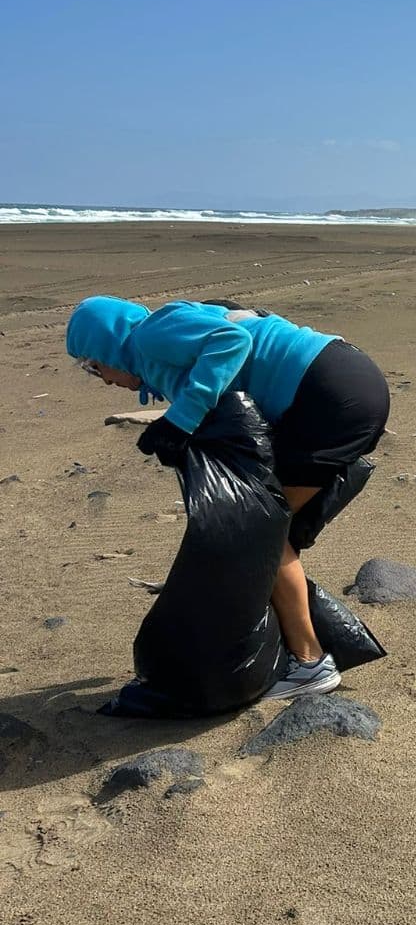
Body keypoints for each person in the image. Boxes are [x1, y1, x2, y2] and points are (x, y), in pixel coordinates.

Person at [66, 297, 390, 700]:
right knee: (271, 526)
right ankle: (298, 643)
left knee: (258, 533)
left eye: (91, 364)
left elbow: (230, 341)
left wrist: (179, 420)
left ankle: (310, 663)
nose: (100, 377)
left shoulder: (149, 335)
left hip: (330, 394)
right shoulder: (162, 345)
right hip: (342, 382)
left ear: (106, 345)